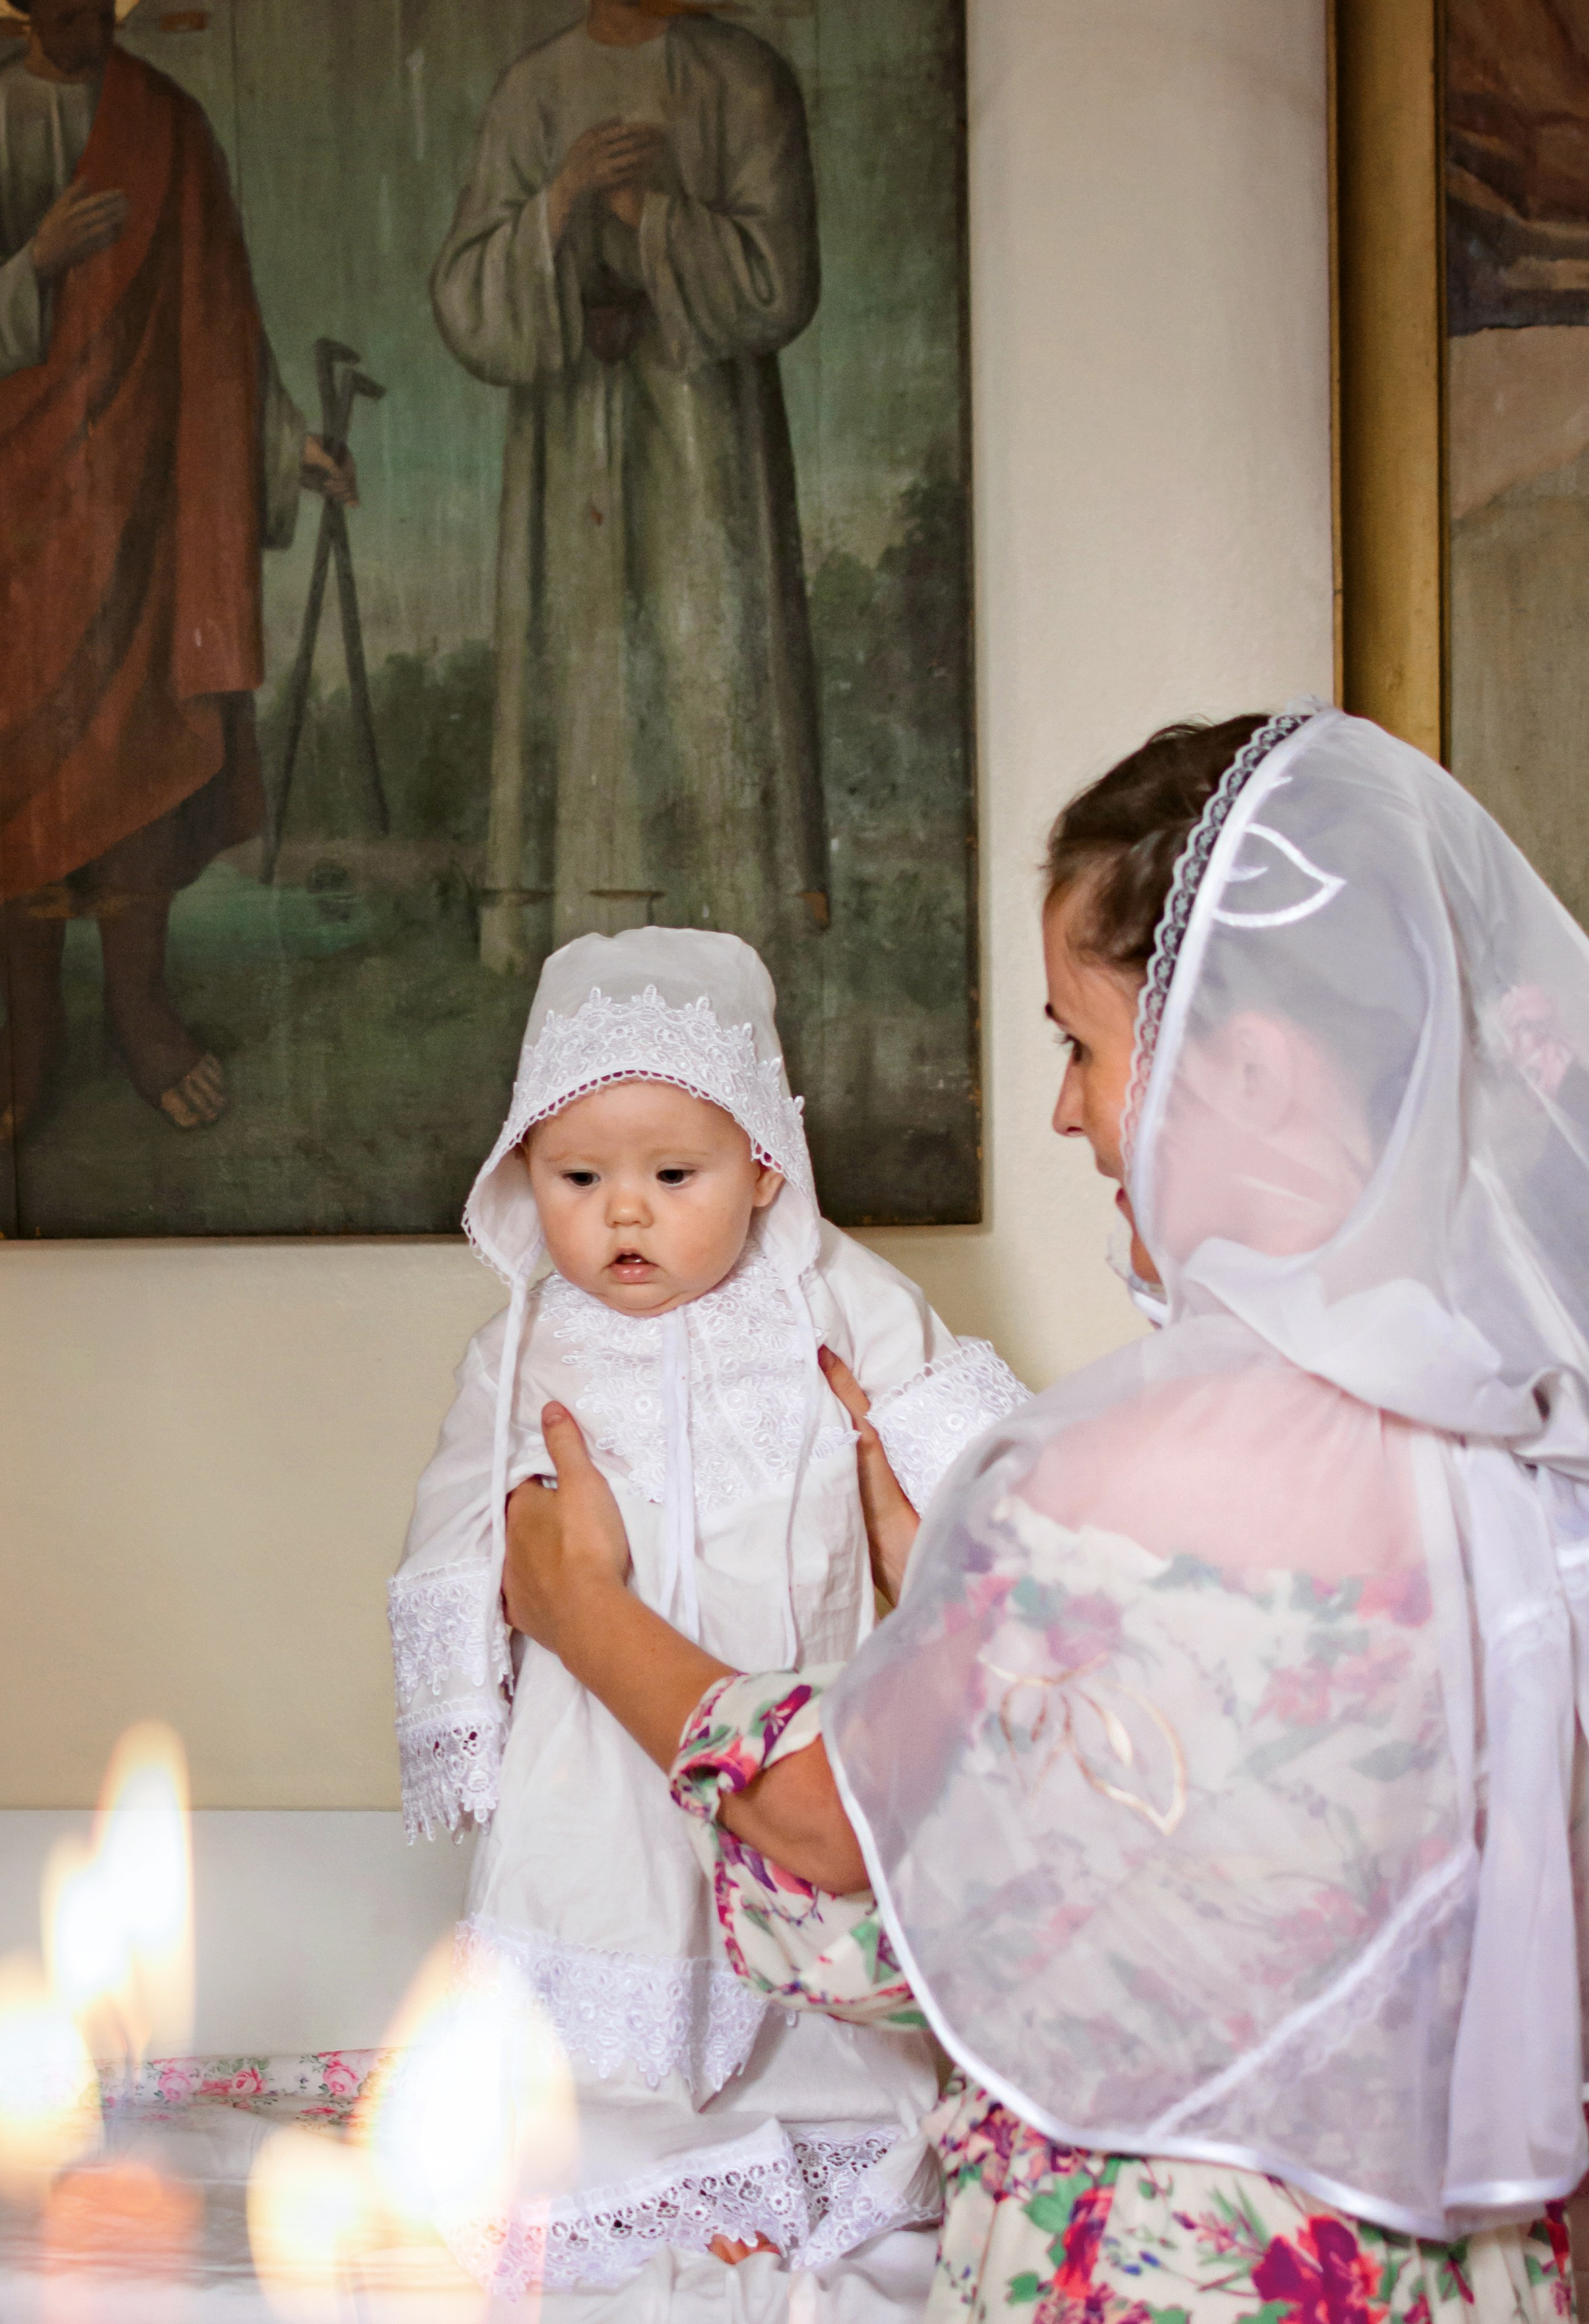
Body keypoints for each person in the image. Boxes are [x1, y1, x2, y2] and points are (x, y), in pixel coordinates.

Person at [502, 707, 1587, 2323]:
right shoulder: (1526, 1430)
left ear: (1252, 1066)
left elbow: (845, 1853)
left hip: (1175, 2276)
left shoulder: (1117, 1473)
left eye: (1079, 1045)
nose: (1068, 1117)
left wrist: (584, 1612)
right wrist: (956, 1596)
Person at [387, 924, 1029, 2311]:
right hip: (590, 1758)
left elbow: (974, 1457)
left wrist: (983, 1559)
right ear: (521, 1175)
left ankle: (825, 2159)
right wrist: (459, 1704)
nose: (624, 1214)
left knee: (809, 1958)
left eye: (672, 1176)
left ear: (761, 1169)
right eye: (577, 1178)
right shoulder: (523, 1346)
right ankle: (603, 2182)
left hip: (794, 1720)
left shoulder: (834, 1299)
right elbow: (454, 1528)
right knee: (595, 1988)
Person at [0, 0, 352, 1144]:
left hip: (144, 511)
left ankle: (140, 1010)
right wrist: (33, 266)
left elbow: (220, 316)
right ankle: (32, 1026)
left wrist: (282, 449)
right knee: (14, 755)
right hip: (6, 519)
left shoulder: (168, 125)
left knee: (139, 761)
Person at [431, 0, 826, 978]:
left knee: (709, 664)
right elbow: (465, 293)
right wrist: (557, 207)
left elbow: (778, 282)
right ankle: (583, 950)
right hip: (573, 449)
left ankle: (731, 939)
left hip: (705, 433)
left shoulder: (741, 78)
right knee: (589, 672)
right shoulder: (534, 90)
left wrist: (649, 215)